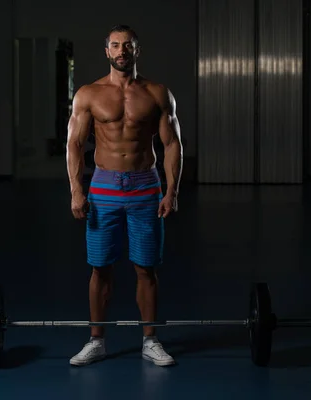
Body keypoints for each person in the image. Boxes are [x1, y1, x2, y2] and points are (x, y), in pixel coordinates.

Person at [66, 25, 183, 367]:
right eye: (115, 45)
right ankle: (96, 340)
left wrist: (172, 190)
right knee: (100, 267)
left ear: (136, 50)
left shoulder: (158, 93)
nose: (121, 50)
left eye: (127, 45)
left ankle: (150, 340)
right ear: (107, 51)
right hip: (103, 188)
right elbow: (74, 144)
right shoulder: (88, 94)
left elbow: (172, 144)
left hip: (146, 186)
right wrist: (76, 190)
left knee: (145, 268)